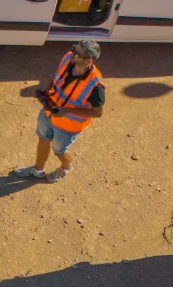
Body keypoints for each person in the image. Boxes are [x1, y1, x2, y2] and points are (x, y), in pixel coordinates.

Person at [12, 41, 106, 182]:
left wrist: (66, 111)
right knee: (43, 139)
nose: (72, 53)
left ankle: (66, 168)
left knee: (59, 151)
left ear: (88, 61)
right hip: (49, 112)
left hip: (68, 126)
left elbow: (98, 113)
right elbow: (57, 75)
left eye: (77, 53)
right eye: (74, 49)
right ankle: (38, 170)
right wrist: (46, 91)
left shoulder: (96, 86)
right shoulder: (68, 57)